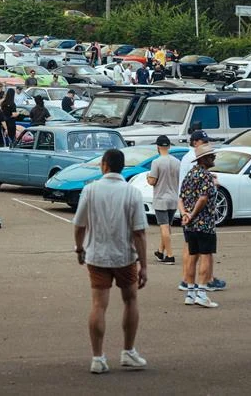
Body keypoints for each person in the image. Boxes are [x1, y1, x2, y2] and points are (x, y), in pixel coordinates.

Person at [73, 148, 149, 374]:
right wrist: (144, 265)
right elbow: (139, 232)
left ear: (104, 165)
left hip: (97, 256)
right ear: (122, 167)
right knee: (130, 300)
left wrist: (79, 248)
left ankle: (98, 358)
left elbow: (79, 225)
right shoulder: (132, 193)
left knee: (98, 305)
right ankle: (128, 352)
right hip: (125, 256)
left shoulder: (90, 190)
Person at [177, 142, 219, 308]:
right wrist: (193, 214)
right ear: (204, 159)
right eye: (211, 156)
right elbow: (203, 198)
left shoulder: (190, 174)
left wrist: (185, 215)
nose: (214, 158)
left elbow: (180, 198)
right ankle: (201, 293)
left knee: (192, 256)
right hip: (204, 223)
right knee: (206, 255)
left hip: (189, 224)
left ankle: (190, 292)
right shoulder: (206, 176)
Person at [146, 135, 180, 264]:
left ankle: (170, 255)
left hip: (161, 198)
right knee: (168, 226)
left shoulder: (157, 162)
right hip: (173, 197)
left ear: (158, 147)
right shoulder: (177, 162)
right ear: (169, 146)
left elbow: (152, 181)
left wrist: (148, 177)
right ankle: (160, 251)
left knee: (164, 227)